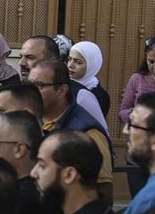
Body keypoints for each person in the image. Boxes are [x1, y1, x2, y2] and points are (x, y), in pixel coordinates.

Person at [28, 59, 115, 203]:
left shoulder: (87, 132)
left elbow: (103, 190)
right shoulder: (32, 118)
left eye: (39, 86)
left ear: (62, 90)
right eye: (29, 85)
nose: (31, 93)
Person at [119, 35, 155, 194]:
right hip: (139, 154)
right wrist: (138, 115)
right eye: (150, 61)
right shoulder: (137, 79)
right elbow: (123, 111)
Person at [67, 40, 110, 118]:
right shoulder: (62, 85)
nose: (70, 65)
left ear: (91, 65)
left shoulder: (100, 96)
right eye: (69, 59)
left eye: (78, 62)